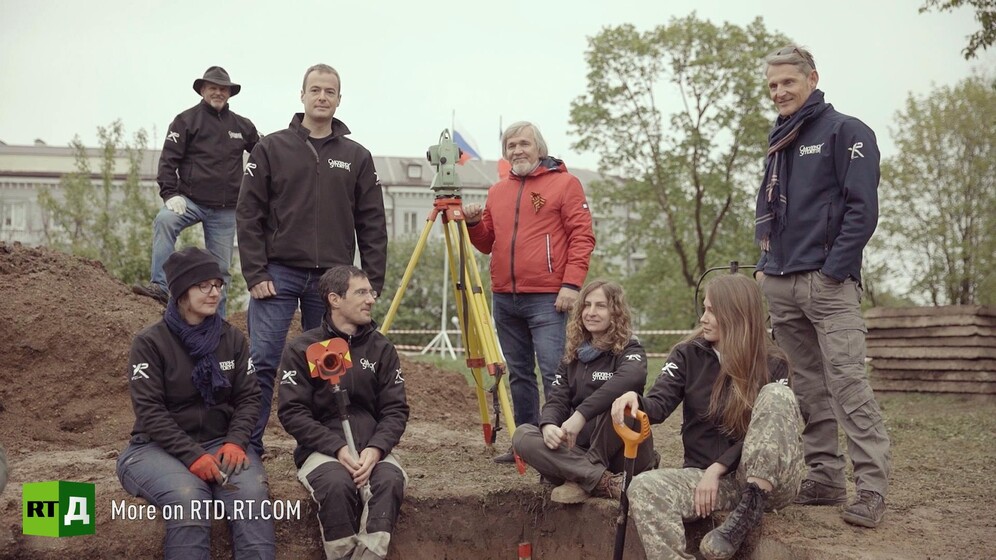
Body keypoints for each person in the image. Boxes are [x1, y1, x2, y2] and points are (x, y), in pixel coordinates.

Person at [754, 45, 891, 528]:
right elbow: (773, 212)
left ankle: (871, 488)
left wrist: (833, 271)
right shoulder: (779, 140)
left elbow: (862, 210)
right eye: (773, 85)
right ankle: (826, 476)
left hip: (828, 284)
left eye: (788, 82)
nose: (779, 92)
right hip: (780, 281)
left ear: (812, 79)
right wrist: (764, 267)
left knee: (848, 383)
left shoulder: (847, 132)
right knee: (807, 388)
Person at [237, 64, 387, 457]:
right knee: (263, 360)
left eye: (330, 91)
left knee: (330, 365)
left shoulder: (357, 156)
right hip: (277, 274)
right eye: (315, 90)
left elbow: (372, 222)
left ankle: (326, 446)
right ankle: (248, 445)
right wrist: (254, 271)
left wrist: (371, 283)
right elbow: (248, 213)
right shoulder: (270, 149)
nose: (322, 97)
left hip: (334, 281)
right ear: (302, 95)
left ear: (339, 99)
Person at [611, 274, 805, 560]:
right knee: (642, 486)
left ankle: (746, 515)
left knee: (777, 395)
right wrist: (636, 401)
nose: (703, 318)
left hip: (767, 482)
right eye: (704, 308)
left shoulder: (774, 362)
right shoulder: (686, 354)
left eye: (712, 311)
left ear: (736, 314)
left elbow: (769, 434)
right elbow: (659, 404)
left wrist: (718, 468)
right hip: (708, 480)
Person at [117, 247, 273, 560]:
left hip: (220, 443)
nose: (214, 293)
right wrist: (193, 456)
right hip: (156, 449)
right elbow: (150, 412)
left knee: (251, 499)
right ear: (181, 292)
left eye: (218, 285)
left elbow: (248, 397)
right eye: (203, 286)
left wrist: (236, 442)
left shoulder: (232, 339)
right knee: (189, 499)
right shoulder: (150, 343)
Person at [463, 121, 595, 464]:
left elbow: (582, 237)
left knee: (554, 371)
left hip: (548, 297)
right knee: (519, 374)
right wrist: (474, 224)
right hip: (505, 297)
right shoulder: (497, 191)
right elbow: (487, 243)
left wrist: (571, 284)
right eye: (511, 145)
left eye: (524, 143)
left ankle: (564, 444)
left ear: (539, 148)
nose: (517, 150)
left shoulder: (565, 184)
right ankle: (525, 443)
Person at [278, 265, 408, 560]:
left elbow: (396, 409)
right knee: (336, 485)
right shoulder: (302, 348)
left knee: (389, 481)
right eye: (361, 292)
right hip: (322, 451)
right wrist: (336, 448)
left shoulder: (382, 348)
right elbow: (292, 412)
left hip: (372, 448)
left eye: (371, 292)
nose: (371, 299)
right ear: (335, 299)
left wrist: (376, 449)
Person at [512, 280, 655, 503]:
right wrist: (548, 425)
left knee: (622, 402)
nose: (591, 312)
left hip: (622, 454)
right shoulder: (574, 354)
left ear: (616, 312)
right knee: (522, 435)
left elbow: (630, 378)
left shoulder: (630, 349)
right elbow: (557, 399)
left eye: (600, 306)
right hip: (579, 450)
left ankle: (580, 475)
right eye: (587, 305)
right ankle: (601, 480)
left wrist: (581, 415)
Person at [132, 66, 259, 318]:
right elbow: (168, 160)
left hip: (225, 209)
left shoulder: (242, 125)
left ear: (229, 93)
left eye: (223, 89)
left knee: (221, 270)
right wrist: (170, 194)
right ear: (202, 90)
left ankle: (218, 323)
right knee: (165, 221)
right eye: (213, 88)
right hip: (189, 201)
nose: (218, 92)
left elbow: (264, 152)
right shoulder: (185, 121)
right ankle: (160, 286)